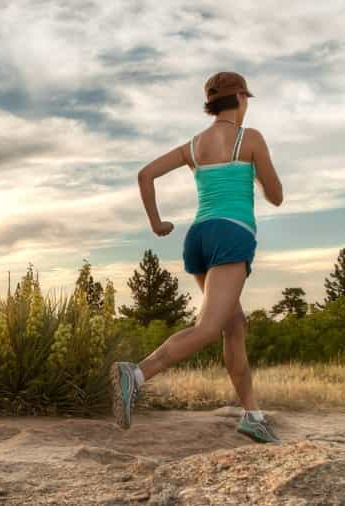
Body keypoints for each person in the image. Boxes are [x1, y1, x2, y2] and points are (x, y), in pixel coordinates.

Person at [110, 71, 284, 443]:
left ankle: (252, 415)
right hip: (231, 234)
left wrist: (156, 223)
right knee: (208, 327)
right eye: (246, 99)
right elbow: (276, 195)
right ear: (239, 98)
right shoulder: (248, 139)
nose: (247, 104)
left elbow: (146, 175)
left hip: (199, 236)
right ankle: (135, 375)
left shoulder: (193, 146)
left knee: (233, 325)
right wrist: (253, 173)